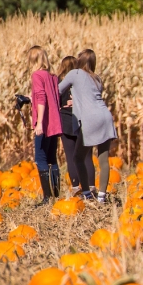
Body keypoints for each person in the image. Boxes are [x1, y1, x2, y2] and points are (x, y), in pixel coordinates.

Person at [58, 48, 118, 204]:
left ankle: (86, 194)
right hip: (105, 116)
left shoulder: (74, 73)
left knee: (78, 157)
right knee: (103, 160)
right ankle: (102, 197)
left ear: (79, 60)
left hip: (90, 119)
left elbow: (57, 91)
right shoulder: (97, 79)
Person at [26, 46, 63, 204]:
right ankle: (55, 194)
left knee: (40, 158)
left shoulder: (37, 75)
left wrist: (39, 123)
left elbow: (42, 99)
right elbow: (52, 98)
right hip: (55, 122)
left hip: (45, 123)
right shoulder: (52, 76)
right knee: (51, 158)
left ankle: (47, 198)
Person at [55, 55, 86, 197]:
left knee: (71, 156)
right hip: (81, 122)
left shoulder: (59, 84)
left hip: (66, 123)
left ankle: (75, 186)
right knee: (83, 156)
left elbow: (56, 102)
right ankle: (86, 186)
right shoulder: (81, 83)